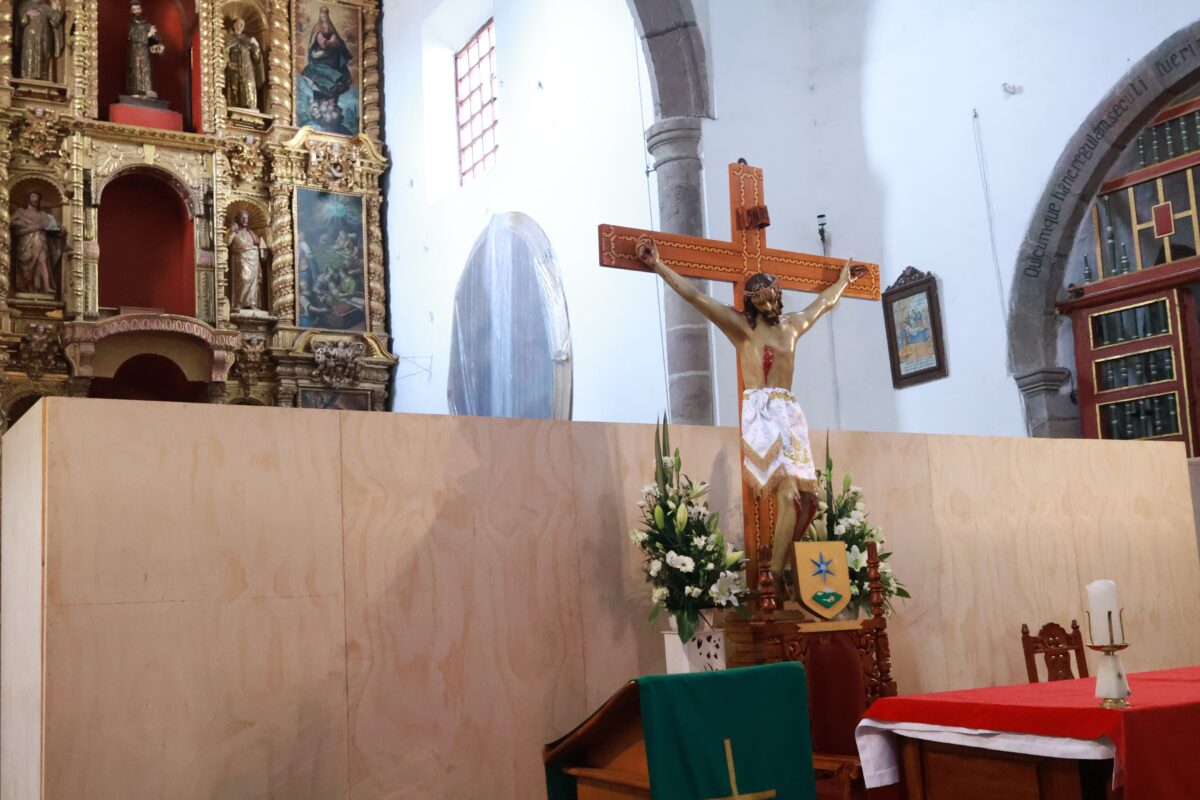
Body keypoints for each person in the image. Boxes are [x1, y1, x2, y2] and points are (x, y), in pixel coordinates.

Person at [637, 237, 867, 598]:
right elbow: (697, 299)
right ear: (752, 305)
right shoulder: (742, 329)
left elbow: (822, 304)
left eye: (775, 297)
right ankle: (772, 579)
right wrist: (659, 265)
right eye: (764, 301)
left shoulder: (792, 326)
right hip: (761, 412)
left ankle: (789, 569)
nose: (773, 304)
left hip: (789, 412)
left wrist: (842, 281)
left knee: (810, 502)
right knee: (791, 496)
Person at [10, 191, 61, 295]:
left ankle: (46, 287)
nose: (35, 199)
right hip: (25, 243)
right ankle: (26, 287)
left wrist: (58, 228)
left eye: (37, 196)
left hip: (40, 240)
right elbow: (10, 221)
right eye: (33, 196)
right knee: (25, 268)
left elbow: (55, 227)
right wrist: (21, 223)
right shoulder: (21, 212)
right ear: (28, 197)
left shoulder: (43, 215)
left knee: (42, 261)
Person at [16, 0, 65, 82]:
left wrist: (59, 7)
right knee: (29, 55)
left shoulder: (45, 7)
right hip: (29, 38)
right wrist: (26, 14)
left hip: (44, 37)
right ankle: (28, 78)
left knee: (44, 56)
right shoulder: (24, 5)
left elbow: (56, 20)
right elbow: (20, 21)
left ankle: (43, 79)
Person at [226, 210, 267, 310]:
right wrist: (231, 231)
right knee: (243, 279)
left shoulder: (249, 232)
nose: (245, 220)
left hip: (253, 259)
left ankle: (252, 303)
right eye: (243, 218)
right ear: (238, 219)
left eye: (247, 218)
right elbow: (226, 242)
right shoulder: (233, 231)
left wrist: (251, 231)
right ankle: (238, 303)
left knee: (254, 282)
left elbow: (257, 242)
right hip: (240, 259)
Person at [224, 17, 265, 111]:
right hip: (233, 68)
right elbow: (225, 52)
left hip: (247, 68)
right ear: (234, 25)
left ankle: (250, 106)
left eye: (242, 24)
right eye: (238, 23)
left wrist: (256, 47)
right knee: (235, 88)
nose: (240, 26)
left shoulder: (248, 40)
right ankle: (234, 106)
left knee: (248, 87)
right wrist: (228, 63)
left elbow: (256, 58)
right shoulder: (228, 38)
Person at [126, 1, 165, 98]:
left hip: (145, 52)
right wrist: (148, 35)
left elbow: (155, 38)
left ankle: (148, 90)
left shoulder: (147, 25)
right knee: (136, 70)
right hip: (135, 52)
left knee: (146, 69)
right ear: (131, 11)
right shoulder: (131, 24)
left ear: (141, 9)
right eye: (134, 10)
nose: (136, 12)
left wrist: (158, 43)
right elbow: (132, 36)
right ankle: (135, 90)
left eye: (138, 9)